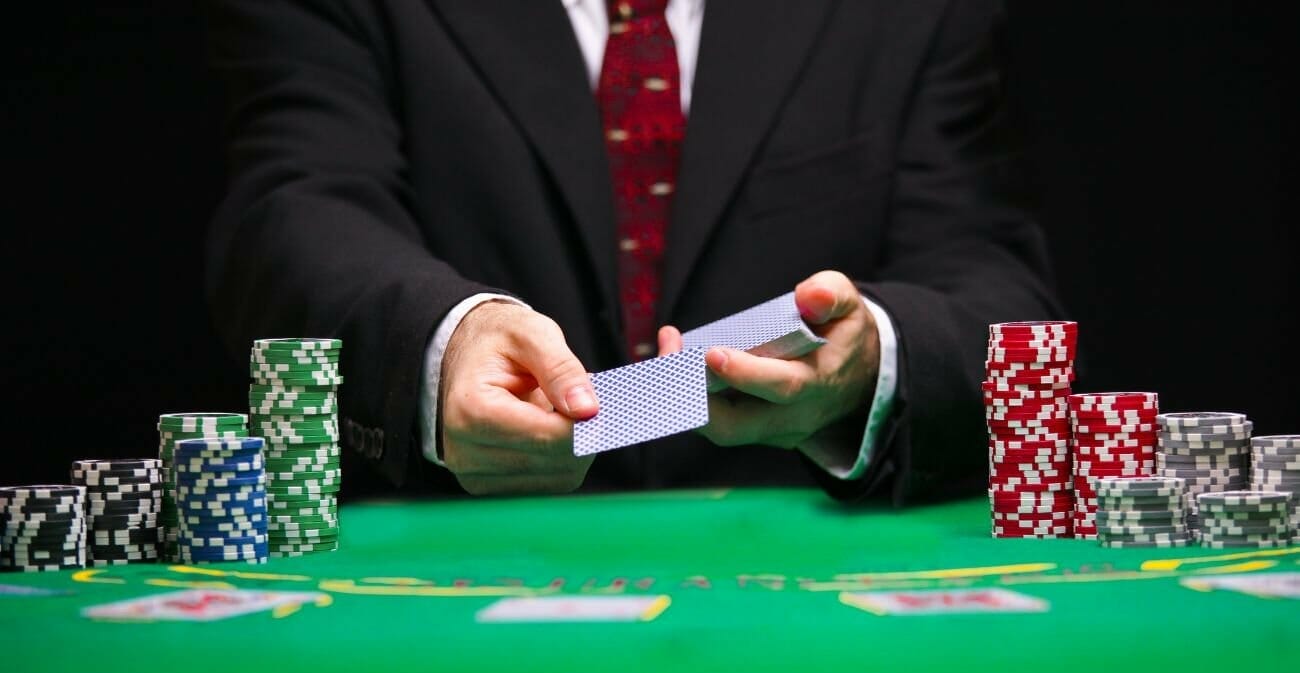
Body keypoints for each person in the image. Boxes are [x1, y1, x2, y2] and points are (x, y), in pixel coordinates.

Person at [204, 0, 1062, 503]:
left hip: (804, 634)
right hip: (441, 623)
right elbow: (292, 216)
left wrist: (877, 352)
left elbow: (994, 289)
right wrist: (442, 341)